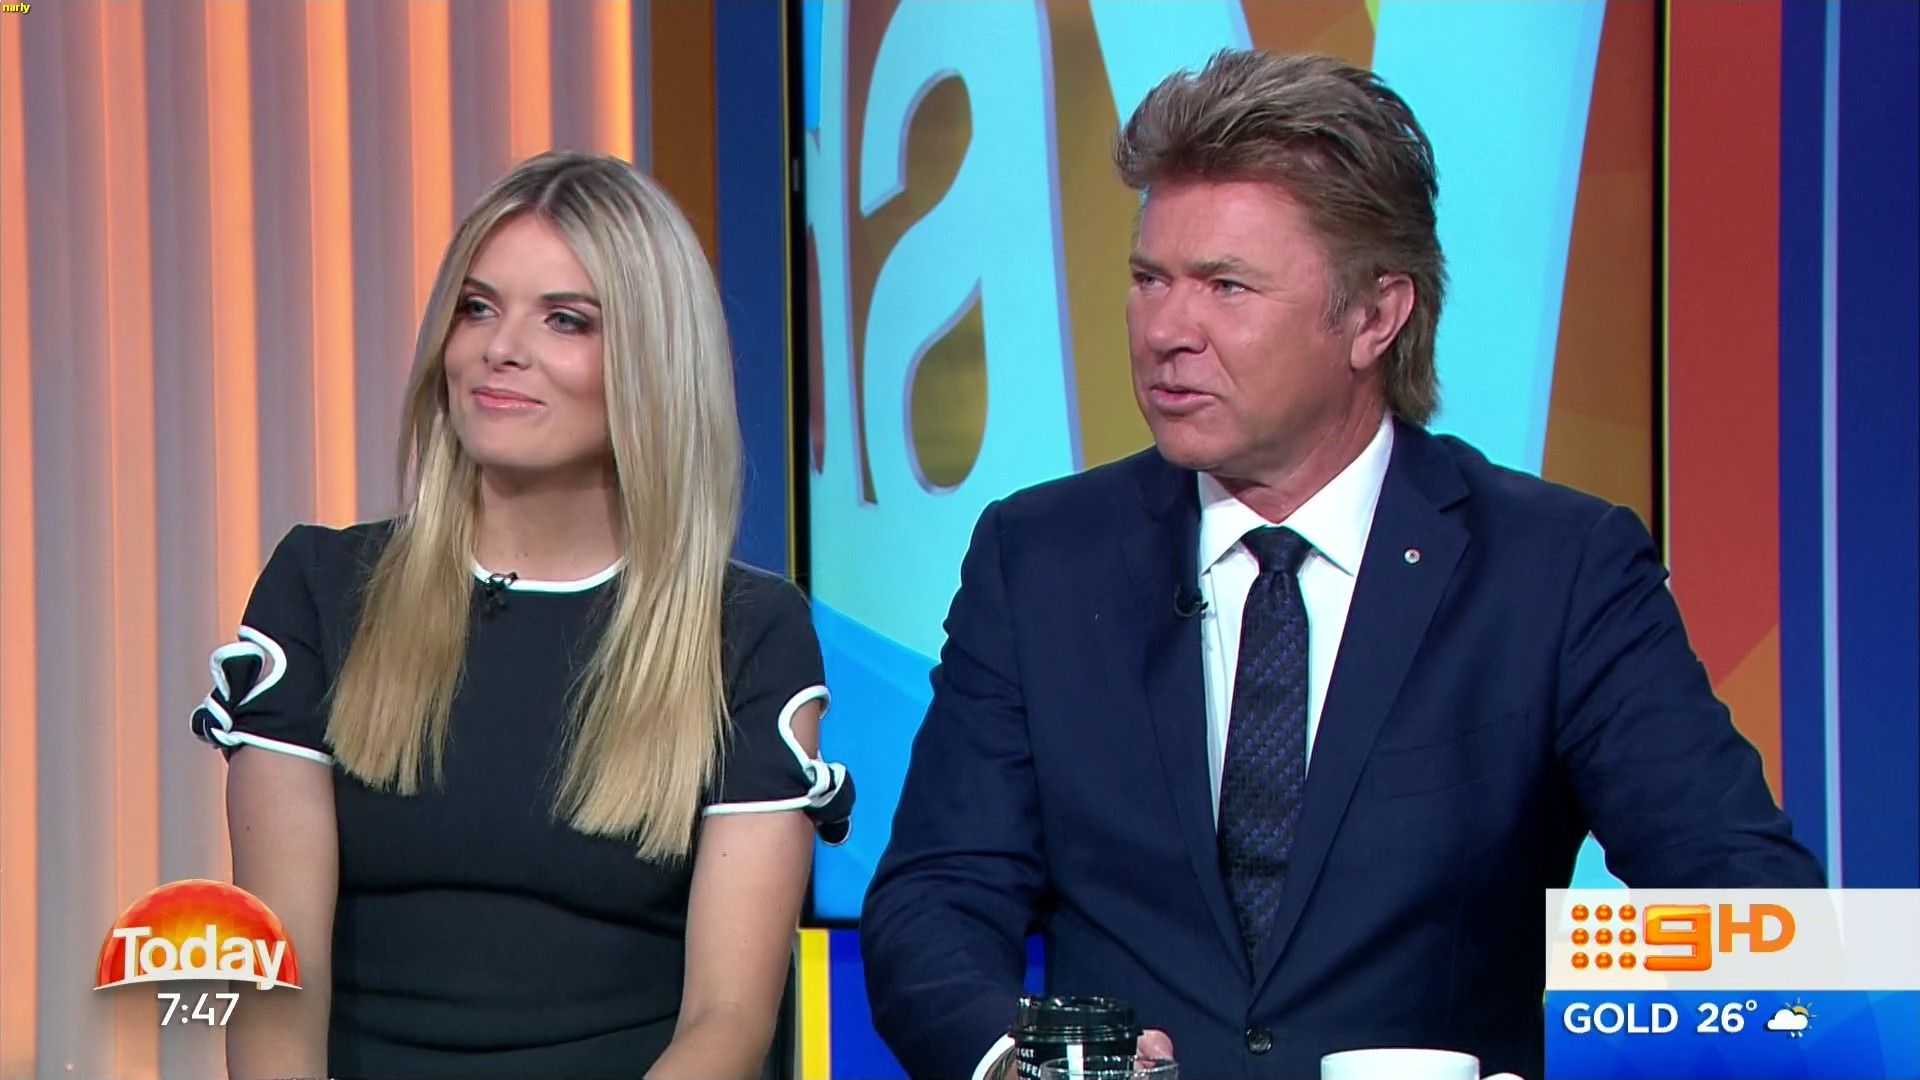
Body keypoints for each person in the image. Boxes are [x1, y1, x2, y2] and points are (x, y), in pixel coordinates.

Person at [860, 50, 1823, 1080]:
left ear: (1374, 316)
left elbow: (1748, 905)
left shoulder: (1556, 572)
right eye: (1149, 280)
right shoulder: (1042, 560)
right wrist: (1017, 1063)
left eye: (1227, 286)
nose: (1167, 330)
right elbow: (936, 903)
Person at [190, 152, 852, 1080]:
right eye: (477, 307)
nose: (500, 347)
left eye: (565, 319)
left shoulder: (743, 634)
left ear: (654, 364)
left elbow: (728, 1021)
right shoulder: (323, 592)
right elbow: (275, 994)